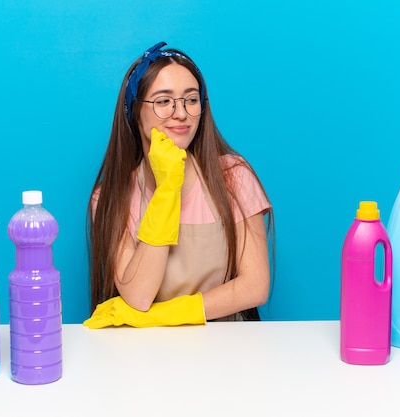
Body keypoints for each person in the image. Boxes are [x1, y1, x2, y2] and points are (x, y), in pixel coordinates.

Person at [84, 41, 274, 328]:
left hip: (230, 349)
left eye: (191, 99)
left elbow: (255, 286)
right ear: (135, 112)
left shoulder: (234, 176)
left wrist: (170, 314)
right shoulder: (110, 198)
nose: (181, 113)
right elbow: (138, 295)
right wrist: (167, 189)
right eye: (163, 101)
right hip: (151, 355)